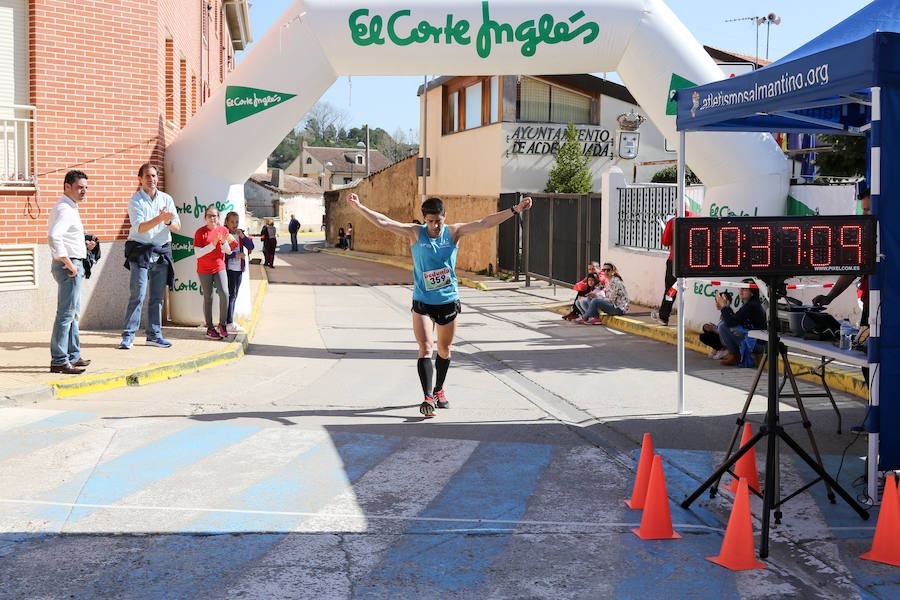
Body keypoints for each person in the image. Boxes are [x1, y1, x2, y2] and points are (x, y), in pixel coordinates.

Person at [347, 192, 533, 416]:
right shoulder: (415, 233)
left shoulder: (454, 232)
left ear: (445, 217)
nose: (435, 226)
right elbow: (384, 222)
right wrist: (359, 207)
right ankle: (427, 398)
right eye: (431, 221)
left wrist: (515, 210)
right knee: (426, 348)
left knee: (444, 350)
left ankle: (439, 389)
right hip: (423, 301)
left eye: (439, 221)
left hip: (447, 301)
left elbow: (485, 222)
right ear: (424, 219)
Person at [120, 163, 180, 350]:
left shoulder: (166, 199)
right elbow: (140, 227)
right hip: (140, 251)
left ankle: (154, 336)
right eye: (147, 176)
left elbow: (177, 227)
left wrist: (168, 220)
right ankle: (128, 336)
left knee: (157, 298)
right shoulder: (135, 200)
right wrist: (161, 219)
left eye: (154, 176)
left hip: (161, 251)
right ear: (140, 179)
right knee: (137, 295)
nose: (151, 179)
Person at [813, 188, 871, 382]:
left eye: (868, 209)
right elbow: (851, 269)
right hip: (870, 311)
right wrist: (829, 297)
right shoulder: (866, 237)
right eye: (863, 210)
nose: (865, 215)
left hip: (889, 312)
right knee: (867, 363)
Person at [47, 170, 96, 374]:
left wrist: (83, 245)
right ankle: (59, 360)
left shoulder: (70, 207)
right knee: (66, 315)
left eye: (86, 187)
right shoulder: (66, 209)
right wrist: (69, 262)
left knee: (72, 313)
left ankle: (73, 356)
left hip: (73, 263)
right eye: (79, 187)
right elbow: (53, 236)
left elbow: (65, 236)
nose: (84, 191)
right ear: (67, 187)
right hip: (69, 267)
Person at [194, 206, 238, 340]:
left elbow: (229, 250)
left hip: (219, 267)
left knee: (225, 293)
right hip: (204, 269)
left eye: (215, 216)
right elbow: (198, 254)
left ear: (219, 218)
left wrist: (224, 242)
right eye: (209, 216)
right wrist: (213, 245)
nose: (212, 218)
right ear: (205, 218)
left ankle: (222, 324)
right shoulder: (200, 232)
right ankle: (210, 329)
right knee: (209, 297)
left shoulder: (223, 230)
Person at [652, 202, 696, 326]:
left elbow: (665, 241)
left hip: (675, 261)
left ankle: (664, 316)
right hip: (694, 261)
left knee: (671, 289)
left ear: (677, 207)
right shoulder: (697, 218)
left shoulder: (674, 221)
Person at [716, 280, 767, 366]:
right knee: (721, 325)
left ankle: (736, 356)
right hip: (753, 341)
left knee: (723, 326)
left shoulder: (751, 306)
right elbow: (734, 320)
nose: (741, 290)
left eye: (744, 289)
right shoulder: (749, 304)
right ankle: (735, 355)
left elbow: (730, 322)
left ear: (752, 293)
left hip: (758, 345)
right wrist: (727, 307)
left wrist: (724, 307)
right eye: (740, 288)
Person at [224, 211, 254, 333]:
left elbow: (251, 247)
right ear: (226, 222)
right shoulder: (224, 234)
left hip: (239, 269)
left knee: (234, 295)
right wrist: (236, 255)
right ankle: (229, 322)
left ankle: (229, 321)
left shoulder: (240, 234)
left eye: (236, 222)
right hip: (229, 269)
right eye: (232, 222)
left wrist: (243, 237)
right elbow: (222, 254)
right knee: (231, 295)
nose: (235, 224)